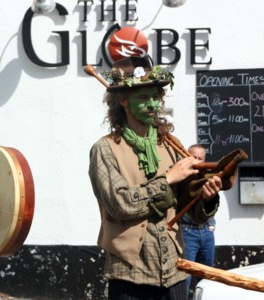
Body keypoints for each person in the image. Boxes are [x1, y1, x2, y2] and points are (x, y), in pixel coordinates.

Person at [88, 56, 223, 300]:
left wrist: (206, 197)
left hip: (173, 271)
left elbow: (189, 211)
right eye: (143, 98)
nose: (152, 105)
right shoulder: (105, 149)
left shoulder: (170, 145)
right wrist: (168, 179)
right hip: (130, 274)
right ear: (123, 101)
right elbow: (120, 205)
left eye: (155, 97)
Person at [179, 144, 216, 296]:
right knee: (185, 278)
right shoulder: (182, 179)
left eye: (200, 158)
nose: (197, 160)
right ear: (187, 157)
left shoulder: (209, 178)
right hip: (188, 232)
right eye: (194, 156)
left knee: (208, 278)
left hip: (207, 232)